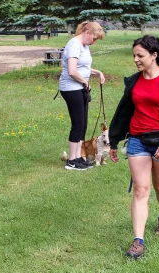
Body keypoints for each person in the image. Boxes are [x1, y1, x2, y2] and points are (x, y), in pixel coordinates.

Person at [109, 35, 159, 259]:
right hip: (138, 139)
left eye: (140, 55)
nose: (136, 59)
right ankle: (138, 241)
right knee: (141, 190)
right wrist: (114, 140)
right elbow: (123, 112)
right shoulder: (134, 80)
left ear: (154, 56)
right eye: (134, 55)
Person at [59, 21, 106, 171]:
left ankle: (78, 157)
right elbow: (72, 71)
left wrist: (97, 72)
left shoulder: (84, 46)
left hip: (80, 88)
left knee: (83, 124)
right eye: (95, 38)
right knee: (78, 124)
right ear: (88, 33)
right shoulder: (74, 44)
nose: (94, 42)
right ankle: (71, 162)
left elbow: (83, 66)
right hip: (71, 88)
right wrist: (85, 82)